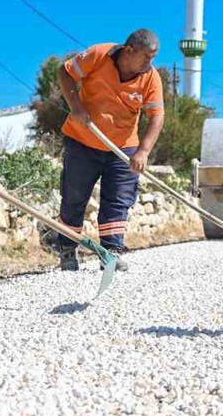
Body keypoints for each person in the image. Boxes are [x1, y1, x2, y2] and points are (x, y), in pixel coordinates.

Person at [43, 29, 165, 271]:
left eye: (153, 57)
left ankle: (111, 253)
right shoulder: (99, 55)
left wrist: (143, 151)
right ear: (129, 50)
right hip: (82, 142)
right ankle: (67, 249)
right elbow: (64, 73)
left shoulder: (151, 78)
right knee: (74, 197)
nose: (150, 63)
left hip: (123, 149)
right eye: (146, 57)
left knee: (118, 200)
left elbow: (156, 116)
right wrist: (76, 106)